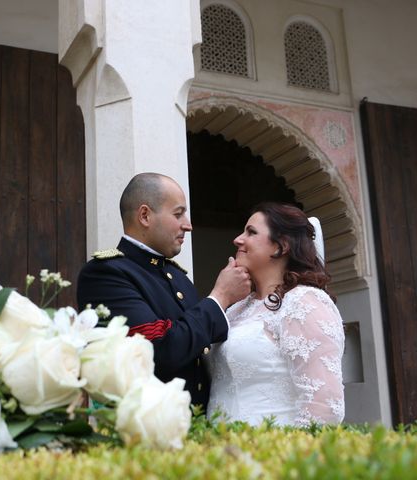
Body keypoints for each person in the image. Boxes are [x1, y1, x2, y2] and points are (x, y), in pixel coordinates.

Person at [76, 173, 251, 408]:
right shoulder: (106, 274)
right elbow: (159, 351)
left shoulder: (178, 277)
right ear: (145, 216)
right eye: (178, 214)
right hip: (146, 430)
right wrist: (220, 297)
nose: (188, 225)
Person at [208, 202, 345, 426]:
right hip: (218, 452)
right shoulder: (237, 308)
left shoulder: (305, 303)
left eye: (251, 232)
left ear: (280, 246)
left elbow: (325, 407)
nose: (238, 239)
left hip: (272, 452)